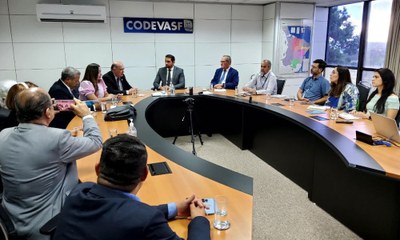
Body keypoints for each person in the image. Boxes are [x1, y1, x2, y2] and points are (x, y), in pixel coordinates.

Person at [54, 134, 210, 240]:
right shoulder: (147, 220)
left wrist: (174, 208)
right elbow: (135, 216)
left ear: (97, 168)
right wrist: (199, 219)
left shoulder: (80, 191)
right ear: (144, 174)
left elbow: (120, 213)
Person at [0, 88, 102, 240]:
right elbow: (95, 141)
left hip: (11, 219)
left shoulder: (3, 135)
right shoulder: (57, 139)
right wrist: (86, 115)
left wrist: (48, 115)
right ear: (48, 112)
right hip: (46, 226)